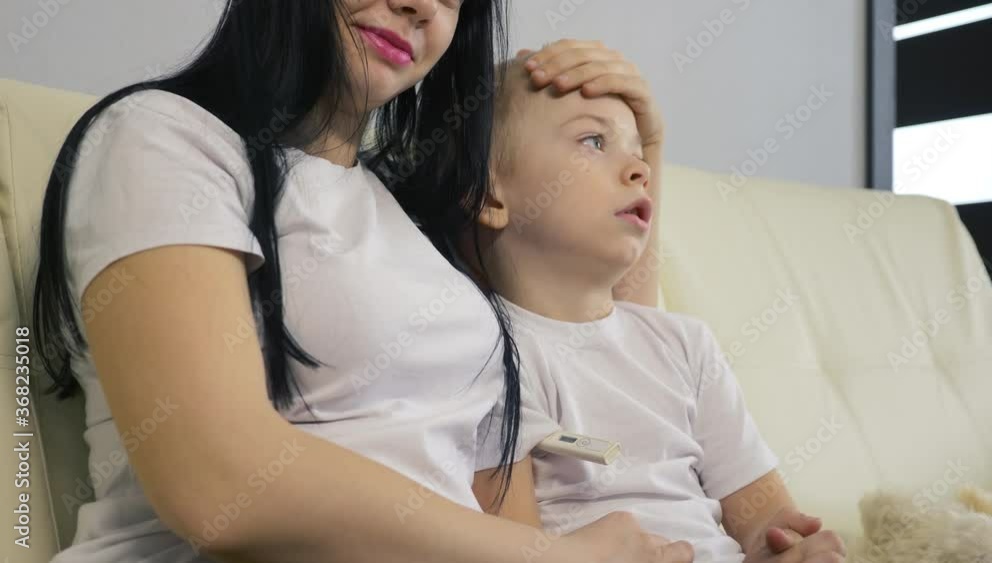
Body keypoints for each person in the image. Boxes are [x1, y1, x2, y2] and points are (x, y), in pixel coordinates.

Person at [31, 1, 692, 562]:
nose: (421, 6)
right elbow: (217, 480)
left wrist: (651, 142)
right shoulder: (165, 138)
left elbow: (612, 339)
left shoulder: (427, 230)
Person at [468, 52, 849, 563]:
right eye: (593, 141)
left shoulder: (685, 345)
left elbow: (764, 516)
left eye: (639, 153)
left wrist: (791, 549)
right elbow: (513, 545)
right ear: (490, 193)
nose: (640, 170)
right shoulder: (485, 354)